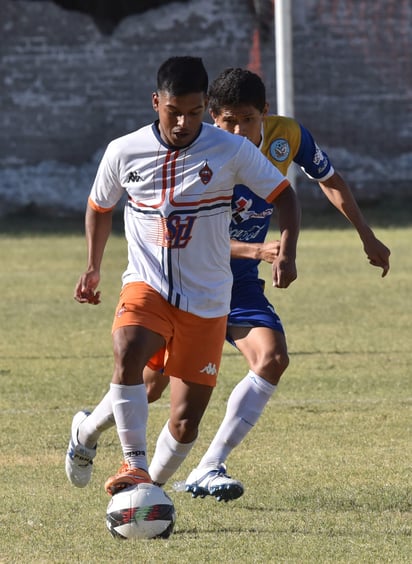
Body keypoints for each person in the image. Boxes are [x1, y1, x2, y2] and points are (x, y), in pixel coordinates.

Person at [144, 67, 391, 501]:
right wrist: (261, 251)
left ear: (265, 113)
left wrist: (366, 235)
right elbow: (191, 236)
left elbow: (328, 181)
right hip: (187, 278)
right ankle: (90, 430)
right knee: (148, 386)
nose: (238, 131)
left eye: (247, 119)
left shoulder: (287, 137)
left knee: (272, 358)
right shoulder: (196, 151)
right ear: (212, 118)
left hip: (237, 284)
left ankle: (207, 466)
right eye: (228, 121)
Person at [65, 57, 300, 497]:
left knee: (183, 417)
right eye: (174, 111)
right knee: (128, 346)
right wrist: (93, 266)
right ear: (156, 102)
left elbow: (285, 196)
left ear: (204, 106)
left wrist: (287, 250)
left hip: (209, 297)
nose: (184, 122)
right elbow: (100, 206)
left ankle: (139, 480)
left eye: (194, 112)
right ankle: (134, 467)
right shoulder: (124, 150)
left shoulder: (230, 150)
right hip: (147, 283)